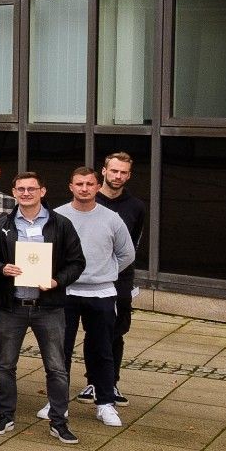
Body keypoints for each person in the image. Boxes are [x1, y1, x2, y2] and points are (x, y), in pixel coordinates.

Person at [0, 173, 86, 441]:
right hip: (11, 305)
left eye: (31, 189)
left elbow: (77, 262)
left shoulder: (61, 225)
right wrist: (1, 268)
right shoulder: (2, 225)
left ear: (42, 191)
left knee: (56, 367)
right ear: (14, 193)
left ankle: (59, 421)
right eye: (21, 189)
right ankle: (5, 416)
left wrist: (56, 280)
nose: (26, 193)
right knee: (4, 365)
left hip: (48, 307)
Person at [55, 167, 137, 427]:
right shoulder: (57, 216)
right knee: (60, 349)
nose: (84, 188)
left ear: (96, 185)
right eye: (79, 184)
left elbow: (127, 254)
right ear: (71, 186)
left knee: (102, 349)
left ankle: (105, 403)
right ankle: (57, 403)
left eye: (89, 184)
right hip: (66, 291)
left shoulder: (111, 218)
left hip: (101, 293)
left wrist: (105, 272)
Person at [93, 151, 146, 407]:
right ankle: (93, 381)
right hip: (90, 277)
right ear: (103, 171)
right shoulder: (89, 199)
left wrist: (116, 270)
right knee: (94, 329)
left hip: (121, 278)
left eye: (123, 172)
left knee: (116, 331)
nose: (118, 176)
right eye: (114, 170)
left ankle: (111, 382)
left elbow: (132, 245)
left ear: (129, 175)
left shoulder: (135, 206)